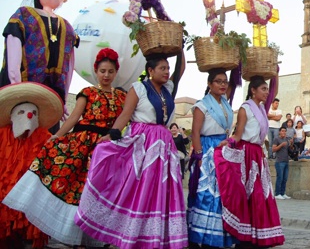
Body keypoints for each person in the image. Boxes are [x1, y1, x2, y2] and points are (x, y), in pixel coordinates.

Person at [3, 48, 126, 247]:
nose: (106, 75)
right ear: (96, 70)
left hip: (106, 148)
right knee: (75, 188)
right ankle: (71, 235)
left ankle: (94, 237)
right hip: (83, 144)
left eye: (110, 71)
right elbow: (74, 117)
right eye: (103, 71)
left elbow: (123, 121)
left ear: (115, 73)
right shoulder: (87, 92)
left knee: (98, 191)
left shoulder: (122, 97)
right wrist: (57, 136)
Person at [74, 52, 188, 249]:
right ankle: (130, 235)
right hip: (144, 142)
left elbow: (180, 70)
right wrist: (112, 134)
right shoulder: (139, 88)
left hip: (164, 144)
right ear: (150, 71)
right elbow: (126, 114)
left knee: (159, 190)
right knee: (140, 187)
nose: (167, 72)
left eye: (168, 68)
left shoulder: (168, 89)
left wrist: (180, 50)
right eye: (162, 68)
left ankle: (153, 237)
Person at [1, 0, 79, 134]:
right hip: (22, 87)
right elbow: (13, 46)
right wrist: (15, 84)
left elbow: (70, 63)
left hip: (50, 95)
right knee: (14, 137)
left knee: (44, 140)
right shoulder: (23, 15)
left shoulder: (67, 27)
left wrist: (63, 99)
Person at [213, 76, 285, 247]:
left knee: (263, 194)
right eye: (263, 89)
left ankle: (260, 235)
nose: (267, 92)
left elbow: (275, 90)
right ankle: (245, 236)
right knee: (253, 193)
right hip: (247, 154)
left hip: (258, 154)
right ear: (253, 90)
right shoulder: (246, 108)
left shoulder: (261, 108)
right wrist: (228, 143)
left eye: (267, 89)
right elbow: (238, 134)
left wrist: (275, 73)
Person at [0, 82, 63, 248]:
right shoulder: (3, 135)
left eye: (34, 113)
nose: (28, 117)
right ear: (12, 116)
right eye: (22, 113)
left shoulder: (44, 138)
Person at [187, 68, 235, 248]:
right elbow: (195, 133)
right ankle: (200, 236)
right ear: (209, 84)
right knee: (206, 193)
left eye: (225, 81)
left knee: (222, 193)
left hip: (223, 149)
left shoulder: (225, 103)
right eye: (218, 81)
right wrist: (199, 156)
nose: (223, 85)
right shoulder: (202, 105)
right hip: (207, 150)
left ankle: (218, 235)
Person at [273, 127, 291, 200]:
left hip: (286, 160)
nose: (284, 132)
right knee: (279, 178)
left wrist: (291, 144)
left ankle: (283, 193)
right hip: (279, 161)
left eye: (285, 131)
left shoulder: (286, 139)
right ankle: (277, 193)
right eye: (282, 131)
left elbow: (289, 149)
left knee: (285, 178)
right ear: (279, 132)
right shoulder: (276, 139)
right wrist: (281, 145)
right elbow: (274, 149)